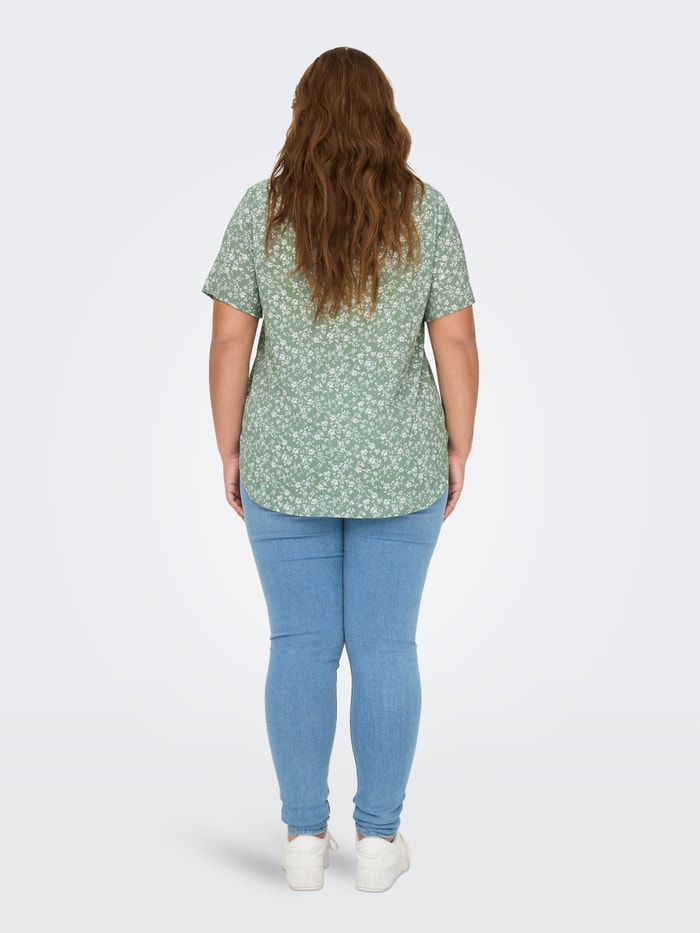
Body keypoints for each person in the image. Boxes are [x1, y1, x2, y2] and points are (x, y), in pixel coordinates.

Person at [201, 47, 479, 893]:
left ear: (303, 114)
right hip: (401, 466)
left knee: (300, 645)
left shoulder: (263, 211)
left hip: (286, 464)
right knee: (387, 646)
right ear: (387, 117)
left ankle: (302, 840)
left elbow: (227, 340)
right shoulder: (425, 212)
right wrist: (460, 443)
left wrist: (229, 446)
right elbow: (456, 340)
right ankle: (380, 842)